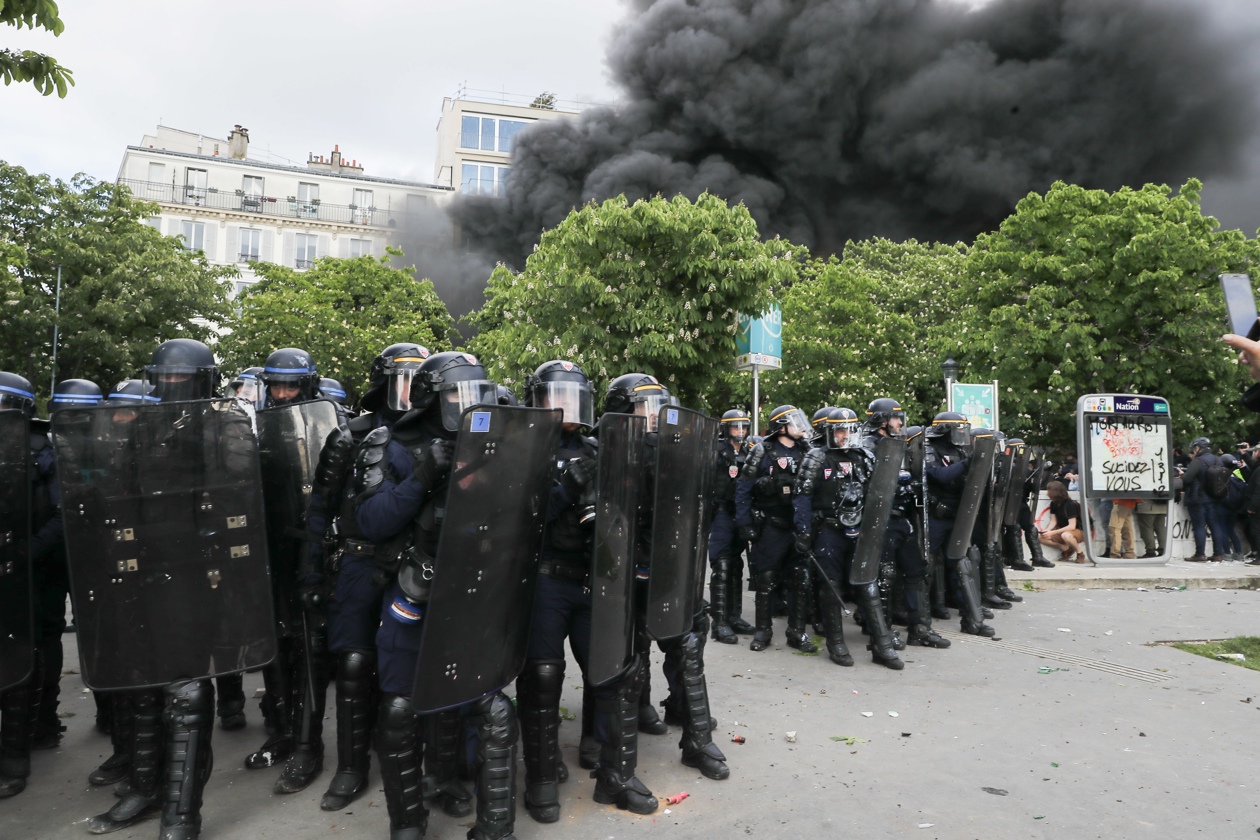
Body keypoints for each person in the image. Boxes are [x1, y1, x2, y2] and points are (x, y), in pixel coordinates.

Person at [367, 350, 519, 840]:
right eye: (456, 393)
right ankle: (408, 823)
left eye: (475, 393)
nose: (467, 403)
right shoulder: (394, 443)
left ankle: (492, 826)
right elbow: (372, 521)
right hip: (417, 584)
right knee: (400, 709)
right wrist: (422, 477)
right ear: (432, 396)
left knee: (491, 706)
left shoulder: (497, 439)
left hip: (478, 586)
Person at [735, 405, 817, 653]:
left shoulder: (809, 452)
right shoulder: (762, 451)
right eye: (795, 422)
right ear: (781, 427)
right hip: (772, 525)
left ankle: (797, 632)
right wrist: (744, 523)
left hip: (799, 525)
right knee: (767, 579)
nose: (801, 427)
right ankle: (763, 631)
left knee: (800, 580)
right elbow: (743, 489)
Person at [708, 409, 754, 644]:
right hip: (722, 513)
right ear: (726, 429)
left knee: (736, 565)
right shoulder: (715, 451)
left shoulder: (749, 452)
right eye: (736, 427)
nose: (740, 431)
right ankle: (719, 622)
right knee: (722, 565)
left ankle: (734, 616)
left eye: (743, 427)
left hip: (741, 513)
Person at [1181, 436, 1229, 563]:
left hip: (1198, 499)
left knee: (1199, 526)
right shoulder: (1218, 460)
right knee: (1215, 526)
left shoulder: (1198, 461)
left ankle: (1200, 554)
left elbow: (1187, 479)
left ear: (1197, 448)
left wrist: (1182, 474)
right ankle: (1218, 554)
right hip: (1214, 499)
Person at [1039, 480, 1085, 563]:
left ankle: (1080, 553)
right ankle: (1066, 549)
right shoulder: (1054, 504)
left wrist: (1052, 532)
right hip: (1063, 530)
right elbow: (1053, 520)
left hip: (1078, 531)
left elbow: (1072, 526)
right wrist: (1048, 530)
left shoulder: (1070, 504)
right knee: (1041, 538)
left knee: (1066, 535)